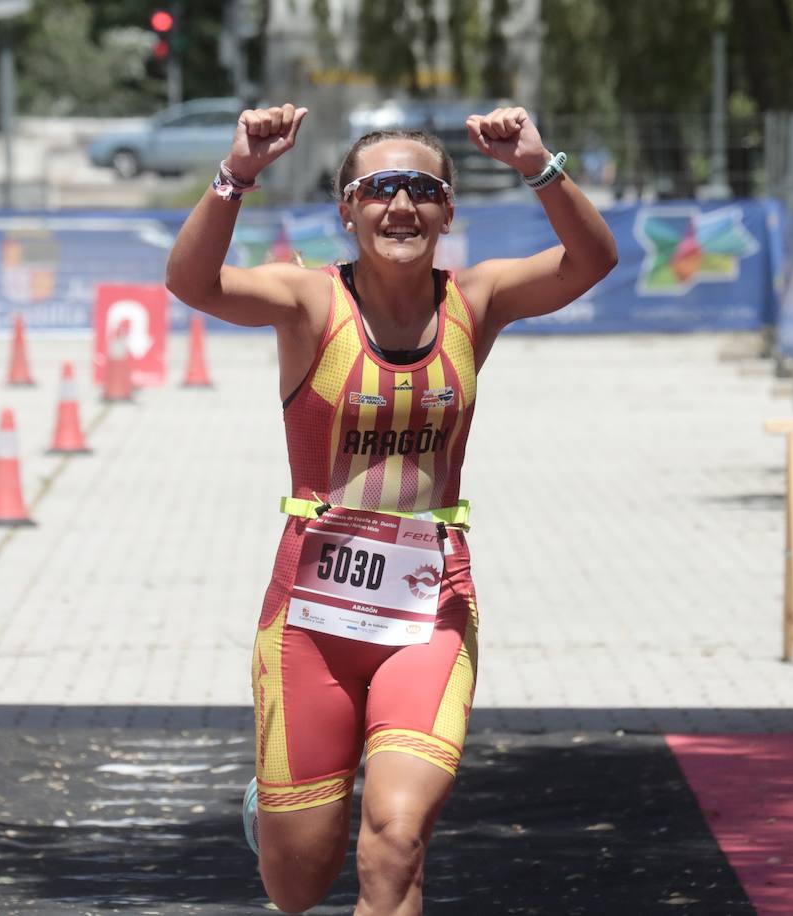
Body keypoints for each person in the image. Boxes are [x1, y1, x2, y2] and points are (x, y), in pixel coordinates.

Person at [166, 102, 617, 915]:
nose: (400, 206)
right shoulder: (308, 303)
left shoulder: (476, 301)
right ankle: (274, 814)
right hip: (311, 624)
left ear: (447, 210)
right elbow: (191, 283)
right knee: (299, 885)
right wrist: (237, 174)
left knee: (397, 842)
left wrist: (537, 165)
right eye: (379, 189)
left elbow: (592, 259)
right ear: (347, 209)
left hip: (428, 614)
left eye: (421, 189)